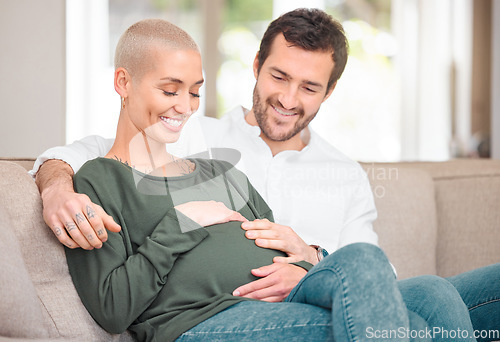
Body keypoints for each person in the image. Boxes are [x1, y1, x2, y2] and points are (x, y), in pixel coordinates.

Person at [32, 8, 498, 341]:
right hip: (209, 320)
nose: (290, 98)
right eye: (279, 77)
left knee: (418, 284)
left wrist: (307, 259)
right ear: (256, 68)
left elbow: (365, 275)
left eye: (193, 93)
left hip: (306, 290)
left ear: (328, 93)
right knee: (418, 323)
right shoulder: (173, 145)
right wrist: (55, 185)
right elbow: (95, 156)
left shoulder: (222, 167)